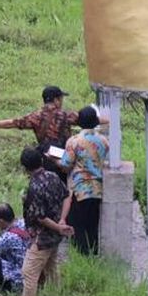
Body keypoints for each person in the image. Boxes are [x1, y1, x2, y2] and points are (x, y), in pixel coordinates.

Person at [0, 86, 106, 175]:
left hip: (45, 158)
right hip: (64, 158)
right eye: (61, 98)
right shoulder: (65, 115)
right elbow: (89, 119)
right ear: (56, 100)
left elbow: (12, 123)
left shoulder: (35, 117)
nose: (61, 101)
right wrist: (110, 120)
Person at [17, 147, 72, 296]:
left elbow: (39, 216)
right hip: (55, 236)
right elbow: (67, 196)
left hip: (42, 237)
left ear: (25, 168)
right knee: (51, 266)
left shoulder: (34, 187)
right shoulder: (53, 176)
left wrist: (57, 226)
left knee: (29, 272)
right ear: (41, 161)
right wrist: (62, 221)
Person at [57, 105, 108, 256]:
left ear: (79, 121)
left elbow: (65, 166)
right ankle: (93, 256)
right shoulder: (103, 141)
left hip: (79, 190)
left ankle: (81, 257)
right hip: (97, 189)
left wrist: (54, 161)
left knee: (77, 226)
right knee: (92, 226)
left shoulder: (74, 142)